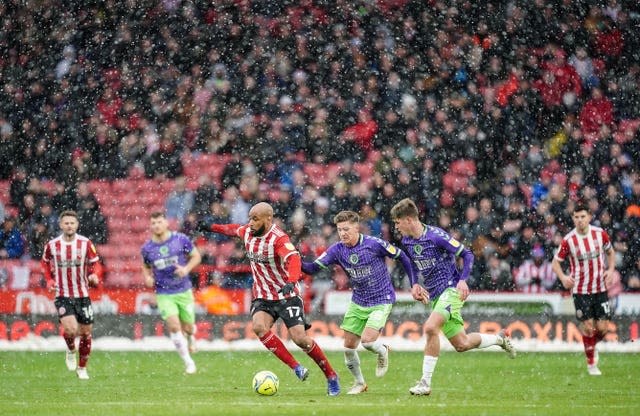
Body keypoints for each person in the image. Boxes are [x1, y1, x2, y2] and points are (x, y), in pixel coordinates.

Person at [206, 202, 341, 396]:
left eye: (255, 219)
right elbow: (233, 229)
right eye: (250, 218)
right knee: (259, 327)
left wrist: (291, 280)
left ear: (268, 219)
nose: (250, 223)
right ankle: (296, 367)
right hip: (263, 296)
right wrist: (211, 227)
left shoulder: (278, 239)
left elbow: (293, 259)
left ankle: (331, 376)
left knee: (300, 339)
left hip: (287, 295)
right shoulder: (247, 232)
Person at [390, 198, 516, 396]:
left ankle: (425, 383)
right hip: (435, 296)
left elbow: (467, 254)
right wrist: (415, 283)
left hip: (451, 290)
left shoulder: (436, 236)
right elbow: (413, 264)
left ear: (408, 220)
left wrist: (463, 280)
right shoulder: (407, 241)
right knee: (462, 344)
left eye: (397, 222)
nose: (396, 227)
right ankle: (499, 339)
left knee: (430, 327)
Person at [301, 210, 416, 395]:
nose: (343, 233)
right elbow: (312, 268)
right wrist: (292, 258)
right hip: (359, 300)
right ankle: (360, 383)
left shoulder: (374, 244)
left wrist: (414, 282)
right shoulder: (337, 249)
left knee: (368, 342)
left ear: (356, 227)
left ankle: (383, 350)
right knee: (348, 348)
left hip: (381, 298)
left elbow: (401, 256)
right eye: (339, 230)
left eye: (346, 229)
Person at [551, 204, 616, 376]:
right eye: (576, 217)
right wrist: (564, 278)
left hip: (600, 288)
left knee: (602, 329)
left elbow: (610, 252)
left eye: (582, 217)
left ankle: (591, 346)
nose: (579, 220)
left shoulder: (599, 233)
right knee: (588, 327)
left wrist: (610, 270)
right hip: (580, 290)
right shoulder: (569, 240)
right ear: (573, 218)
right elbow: (555, 262)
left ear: (589, 217)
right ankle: (591, 364)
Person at [40, 210, 103, 380]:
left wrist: (94, 275)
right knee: (70, 329)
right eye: (66, 223)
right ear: (61, 225)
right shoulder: (52, 245)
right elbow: (45, 264)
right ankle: (70, 349)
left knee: (85, 332)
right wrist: (49, 280)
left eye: (72, 223)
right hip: (62, 294)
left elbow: (96, 265)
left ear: (77, 225)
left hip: (82, 294)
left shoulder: (86, 243)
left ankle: (82, 368)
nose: (69, 226)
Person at [141, 212, 201, 374]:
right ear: (150, 226)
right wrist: (147, 277)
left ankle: (190, 336)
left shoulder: (180, 239)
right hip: (164, 292)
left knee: (188, 327)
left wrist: (186, 269)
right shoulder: (147, 248)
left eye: (159, 222)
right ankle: (189, 362)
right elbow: (146, 266)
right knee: (174, 326)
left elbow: (196, 256)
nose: (156, 225)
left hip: (183, 290)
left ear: (166, 223)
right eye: (153, 223)